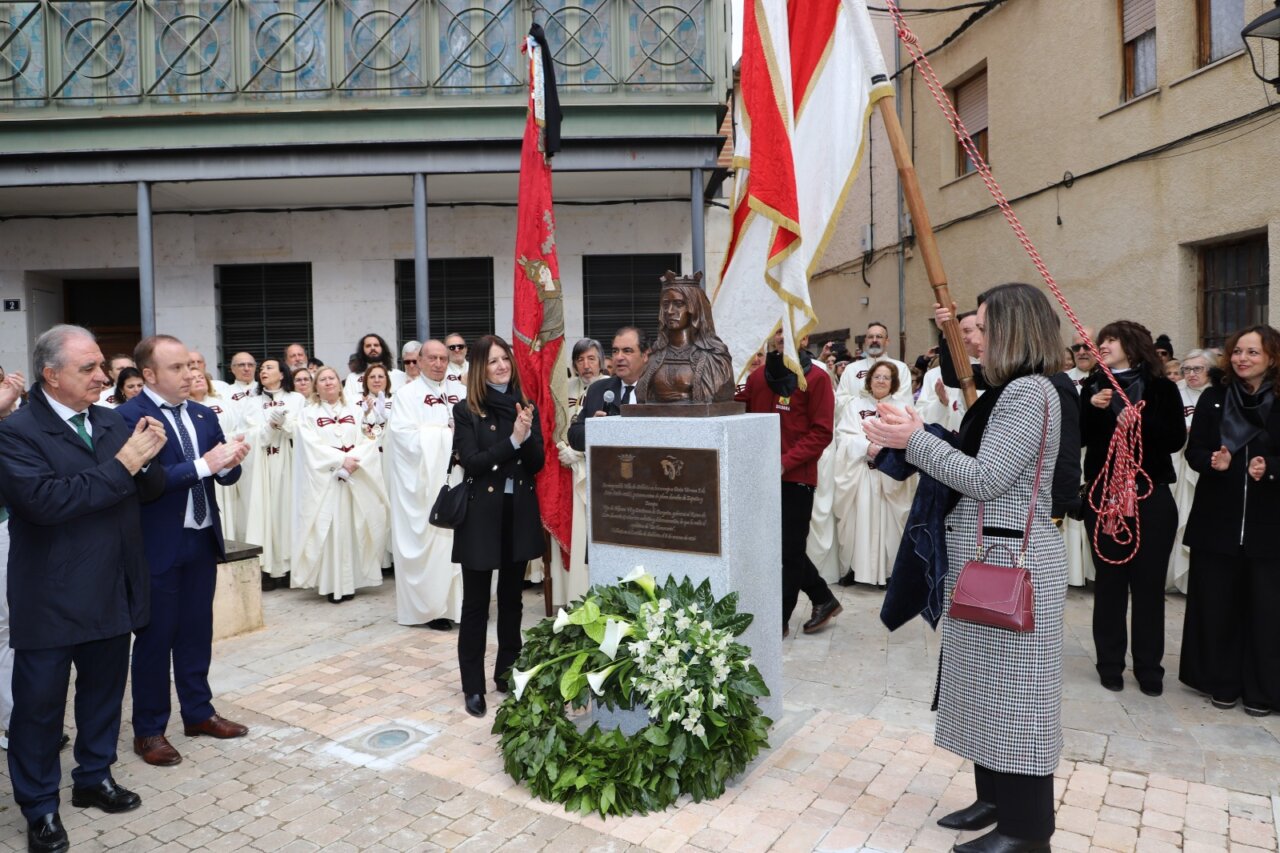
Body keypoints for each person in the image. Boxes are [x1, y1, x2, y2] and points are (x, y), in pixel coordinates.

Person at [864, 283, 1066, 853]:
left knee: (1018, 699)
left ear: (1013, 329)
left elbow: (984, 478)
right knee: (987, 689)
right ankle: (996, 802)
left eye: (982, 325)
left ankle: (1027, 832)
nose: (972, 336)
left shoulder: (1028, 392)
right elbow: (977, 459)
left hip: (1010, 562)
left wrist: (915, 439)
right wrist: (911, 438)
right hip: (988, 557)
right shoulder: (1011, 390)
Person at [0, 325, 167, 853]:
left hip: (111, 587)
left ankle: (94, 777)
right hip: (50, 596)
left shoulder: (111, 419)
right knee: (39, 710)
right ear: (51, 375)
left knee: (102, 695)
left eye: (101, 366)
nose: (102, 377)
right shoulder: (16, 431)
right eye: (88, 368)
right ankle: (40, 807)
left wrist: (149, 457)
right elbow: (46, 501)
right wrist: (125, 464)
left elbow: (148, 489)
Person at [118, 335, 251, 768]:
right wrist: (206, 465)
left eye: (191, 366)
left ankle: (198, 713)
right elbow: (147, 482)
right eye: (177, 368)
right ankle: (149, 730)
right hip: (157, 545)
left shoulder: (202, 413)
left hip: (201, 537)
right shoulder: (128, 417)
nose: (190, 374)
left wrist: (230, 464)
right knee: (156, 639)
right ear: (149, 374)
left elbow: (221, 474)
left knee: (196, 632)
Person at [1180, 325, 1280, 717]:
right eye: (1237, 351)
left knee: (1266, 612)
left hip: (1269, 529)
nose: (1242, 358)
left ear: (1271, 356)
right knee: (1218, 607)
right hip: (1217, 524)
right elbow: (1194, 451)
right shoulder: (1215, 397)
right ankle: (1220, 682)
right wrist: (1211, 461)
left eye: (1252, 352)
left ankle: (1261, 690)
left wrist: (1271, 469)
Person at [1081, 321, 1185, 695]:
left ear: (1132, 344)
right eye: (1102, 340)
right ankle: (1110, 664)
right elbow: (1078, 437)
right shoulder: (1093, 386)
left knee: (1149, 586)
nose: (1103, 345)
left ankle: (1148, 667)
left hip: (1149, 496)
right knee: (1109, 583)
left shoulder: (1161, 388)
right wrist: (1092, 410)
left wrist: (1141, 420)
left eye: (1111, 339)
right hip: (1105, 497)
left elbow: (1175, 439)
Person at [451, 335, 544, 718]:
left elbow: (537, 463)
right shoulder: (466, 410)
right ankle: (473, 686)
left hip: (517, 513)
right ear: (479, 368)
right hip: (480, 517)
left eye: (504, 358)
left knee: (512, 601)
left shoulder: (525, 404)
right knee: (476, 605)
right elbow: (472, 462)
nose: (501, 366)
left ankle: (507, 673)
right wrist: (513, 440)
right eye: (492, 361)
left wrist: (527, 434)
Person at [736, 329, 842, 637]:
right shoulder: (758, 377)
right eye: (779, 330)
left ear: (804, 338)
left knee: (789, 551)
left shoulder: (817, 378)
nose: (784, 336)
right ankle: (823, 597)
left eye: (791, 329)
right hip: (760, 477)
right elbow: (739, 411)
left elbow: (822, 432)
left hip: (796, 478)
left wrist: (785, 462)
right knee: (776, 547)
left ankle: (778, 620)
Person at [292, 367, 389, 604]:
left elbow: (369, 437)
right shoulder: (307, 414)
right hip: (328, 480)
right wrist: (339, 461)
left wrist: (353, 461)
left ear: (339, 383)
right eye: (322, 379)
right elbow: (310, 446)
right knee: (330, 528)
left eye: (332, 378)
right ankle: (334, 584)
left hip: (354, 476)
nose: (328, 382)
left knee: (354, 526)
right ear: (316, 387)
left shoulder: (355, 409)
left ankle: (351, 582)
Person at [387, 341, 465, 628]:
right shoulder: (406, 396)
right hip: (425, 484)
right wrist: (447, 435)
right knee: (434, 543)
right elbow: (403, 438)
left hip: (460, 477)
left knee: (462, 542)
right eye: (432, 358)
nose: (438, 363)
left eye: (443, 358)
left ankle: (463, 606)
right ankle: (434, 610)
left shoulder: (461, 392)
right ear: (418, 361)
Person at [832, 362, 918, 588]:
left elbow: (910, 439)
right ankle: (855, 569)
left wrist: (886, 451)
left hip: (889, 476)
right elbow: (843, 436)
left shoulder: (902, 409)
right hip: (861, 473)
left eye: (886, 377)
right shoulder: (854, 406)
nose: (881, 381)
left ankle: (889, 573)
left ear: (893, 383)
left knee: (889, 526)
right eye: (877, 376)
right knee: (857, 521)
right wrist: (866, 447)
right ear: (869, 380)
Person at [553, 338, 606, 607]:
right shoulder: (566, 388)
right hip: (565, 470)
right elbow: (557, 422)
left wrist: (581, 452)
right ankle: (571, 594)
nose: (586, 365)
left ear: (601, 361)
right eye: (580, 360)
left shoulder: (607, 387)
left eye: (591, 359)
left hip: (595, 473)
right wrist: (562, 447)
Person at [244, 359, 305, 589]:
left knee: (286, 512)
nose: (263, 371)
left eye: (269, 368)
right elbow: (248, 432)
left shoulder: (296, 399)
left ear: (282, 374)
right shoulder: (252, 402)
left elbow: (303, 430)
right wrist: (269, 427)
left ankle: (288, 567)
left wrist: (284, 423)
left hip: (288, 462)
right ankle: (267, 569)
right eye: (261, 369)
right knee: (264, 514)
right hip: (262, 465)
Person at [635, 276, 735, 403]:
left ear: (695, 308)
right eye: (665, 305)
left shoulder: (715, 357)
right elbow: (642, 397)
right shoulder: (655, 356)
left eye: (678, 304)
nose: (670, 311)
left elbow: (719, 394)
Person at [1166, 349, 1213, 593]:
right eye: (1187, 369)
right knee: (1176, 516)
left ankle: (1196, 580)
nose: (1191, 374)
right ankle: (1171, 576)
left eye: (1198, 369)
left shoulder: (1216, 395)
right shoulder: (1175, 392)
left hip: (1202, 466)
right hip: (1177, 462)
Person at [567, 327, 650, 451]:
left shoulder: (660, 392)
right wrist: (593, 429)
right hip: (607, 462)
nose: (619, 357)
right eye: (615, 351)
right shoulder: (598, 389)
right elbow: (574, 435)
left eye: (627, 351)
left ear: (645, 355)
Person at [189, 370, 248, 544]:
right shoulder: (186, 407)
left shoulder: (222, 403)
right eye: (193, 378)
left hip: (226, 462)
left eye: (201, 377)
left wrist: (230, 444)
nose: (198, 380)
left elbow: (238, 428)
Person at [835, 322, 913, 415]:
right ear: (865, 341)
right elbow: (840, 400)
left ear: (887, 341)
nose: (874, 340)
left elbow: (903, 400)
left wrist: (878, 398)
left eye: (879, 337)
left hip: (889, 420)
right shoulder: (851, 369)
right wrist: (863, 400)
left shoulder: (901, 368)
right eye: (870, 337)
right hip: (856, 421)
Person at [345, 333, 406, 399]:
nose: (372, 348)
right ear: (362, 351)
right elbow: (347, 402)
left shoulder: (399, 375)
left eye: (376, 345)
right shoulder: (352, 378)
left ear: (383, 348)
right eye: (368, 346)